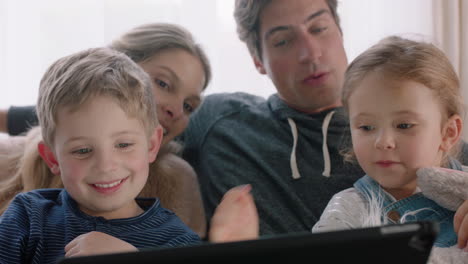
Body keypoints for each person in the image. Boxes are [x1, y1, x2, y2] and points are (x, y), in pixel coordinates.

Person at [3, 0, 468, 246]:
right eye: (284, 40)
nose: (310, 52)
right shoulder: (219, 116)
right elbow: (94, 111)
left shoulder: (418, 121)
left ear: (339, 29)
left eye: (319, 27)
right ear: (257, 60)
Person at [0, 22, 210, 238]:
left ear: (152, 143)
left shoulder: (174, 197)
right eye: (163, 83)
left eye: (188, 106)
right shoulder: (25, 212)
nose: (176, 110)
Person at [312, 35, 468, 260]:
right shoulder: (348, 210)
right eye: (366, 127)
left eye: (404, 125)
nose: (383, 141)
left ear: (448, 132)